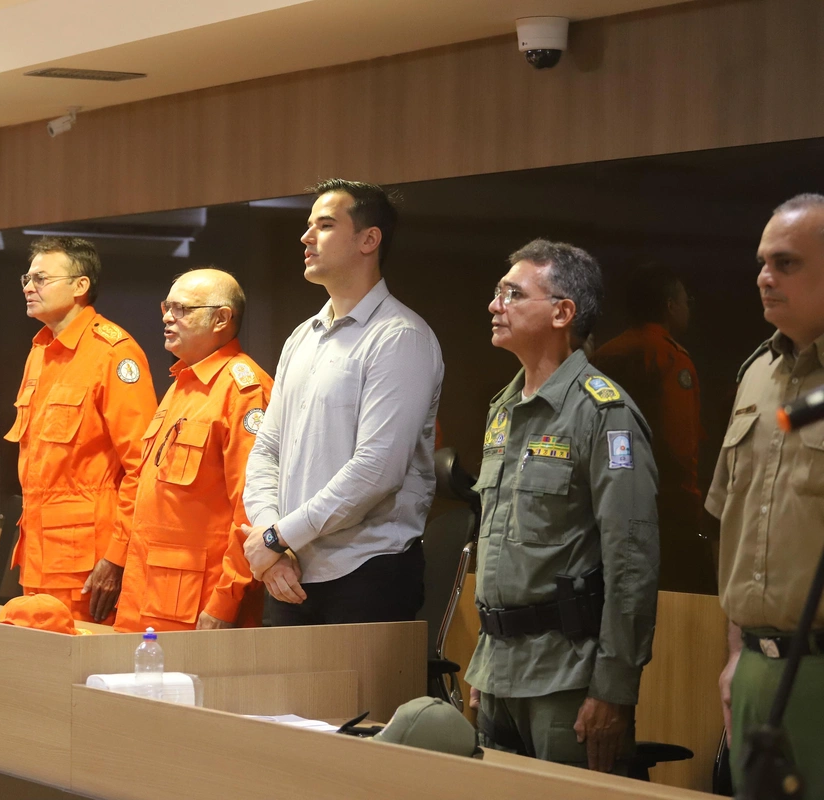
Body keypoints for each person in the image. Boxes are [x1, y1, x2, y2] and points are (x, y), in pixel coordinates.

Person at [465, 239, 659, 774]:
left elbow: (631, 559)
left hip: (567, 680)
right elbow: (499, 545)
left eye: (512, 293)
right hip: (500, 672)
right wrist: (486, 668)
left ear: (561, 312)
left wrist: (614, 687)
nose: (494, 305)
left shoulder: (604, 412)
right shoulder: (504, 410)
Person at [242, 178, 443, 625]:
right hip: (288, 572)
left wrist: (277, 537)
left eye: (325, 225)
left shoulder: (399, 337)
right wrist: (271, 541)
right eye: (308, 225)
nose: (306, 237)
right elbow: (266, 450)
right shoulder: (301, 336)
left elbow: (376, 471)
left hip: (366, 574)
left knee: (361, 701)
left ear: (369, 239)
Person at [710, 194, 824, 799]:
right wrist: (736, 658)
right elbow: (737, 524)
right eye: (761, 262)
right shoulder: (757, 377)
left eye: (786, 263)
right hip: (757, 669)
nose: (764, 276)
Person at [4, 237, 157, 623]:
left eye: (40, 278)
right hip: (39, 557)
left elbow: (143, 466)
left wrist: (116, 556)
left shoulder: (114, 353)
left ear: (80, 286)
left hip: (87, 564)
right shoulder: (39, 351)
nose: (27, 286)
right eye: (27, 277)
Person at [111, 269, 272, 633]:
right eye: (167, 306)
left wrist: (225, 602)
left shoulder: (243, 390)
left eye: (182, 308)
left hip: (198, 606)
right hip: (146, 595)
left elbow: (252, 510)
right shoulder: (182, 384)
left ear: (221, 318)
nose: (168, 316)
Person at [593, 263, 713, 594]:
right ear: (670, 305)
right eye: (685, 300)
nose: (688, 306)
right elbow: (679, 443)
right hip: (664, 511)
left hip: (606, 502)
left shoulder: (602, 355)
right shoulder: (669, 357)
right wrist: (691, 508)